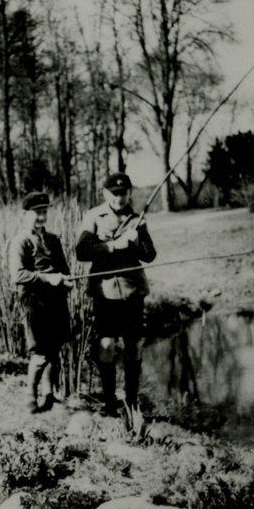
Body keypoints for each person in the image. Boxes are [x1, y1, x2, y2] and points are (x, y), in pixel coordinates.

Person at [76, 173, 157, 416]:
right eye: (114, 193)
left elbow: (150, 255)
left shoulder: (137, 218)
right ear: (105, 194)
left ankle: (132, 401)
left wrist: (138, 237)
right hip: (105, 290)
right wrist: (115, 245)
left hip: (133, 289)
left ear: (129, 193)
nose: (119, 198)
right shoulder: (93, 216)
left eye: (123, 193)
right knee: (107, 342)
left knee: (133, 342)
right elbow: (82, 251)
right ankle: (110, 403)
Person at [9, 192, 72, 414]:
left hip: (56, 301)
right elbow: (18, 275)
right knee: (41, 353)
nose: (42, 217)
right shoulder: (21, 241)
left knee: (55, 350)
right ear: (25, 215)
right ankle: (30, 394)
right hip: (35, 302)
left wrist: (66, 281)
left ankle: (48, 395)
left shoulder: (54, 239)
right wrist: (47, 278)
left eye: (44, 212)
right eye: (37, 213)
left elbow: (64, 270)